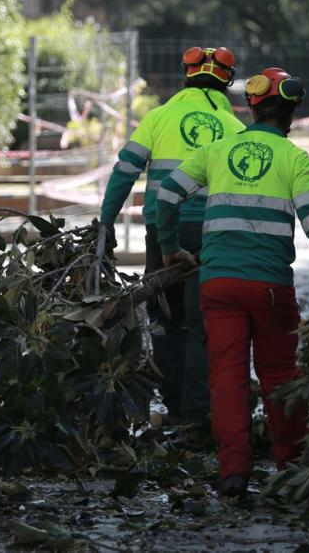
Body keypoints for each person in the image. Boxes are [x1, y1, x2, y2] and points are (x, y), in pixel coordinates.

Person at [156, 67, 309, 497]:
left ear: (250, 107)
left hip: (217, 285)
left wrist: (169, 250)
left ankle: (233, 473)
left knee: (227, 378)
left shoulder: (218, 150)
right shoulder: (295, 159)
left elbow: (166, 194)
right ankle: (291, 468)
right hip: (271, 288)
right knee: (279, 376)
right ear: (291, 112)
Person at [99, 46, 247, 425]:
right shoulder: (235, 128)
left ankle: (176, 405)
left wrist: (105, 222)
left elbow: (124, 171)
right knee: (202, 324)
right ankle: (197, 415)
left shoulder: (159, 117)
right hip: (213, 235)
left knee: (166, 320)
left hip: (162, 231)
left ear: (186, 75)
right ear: (226, 81)